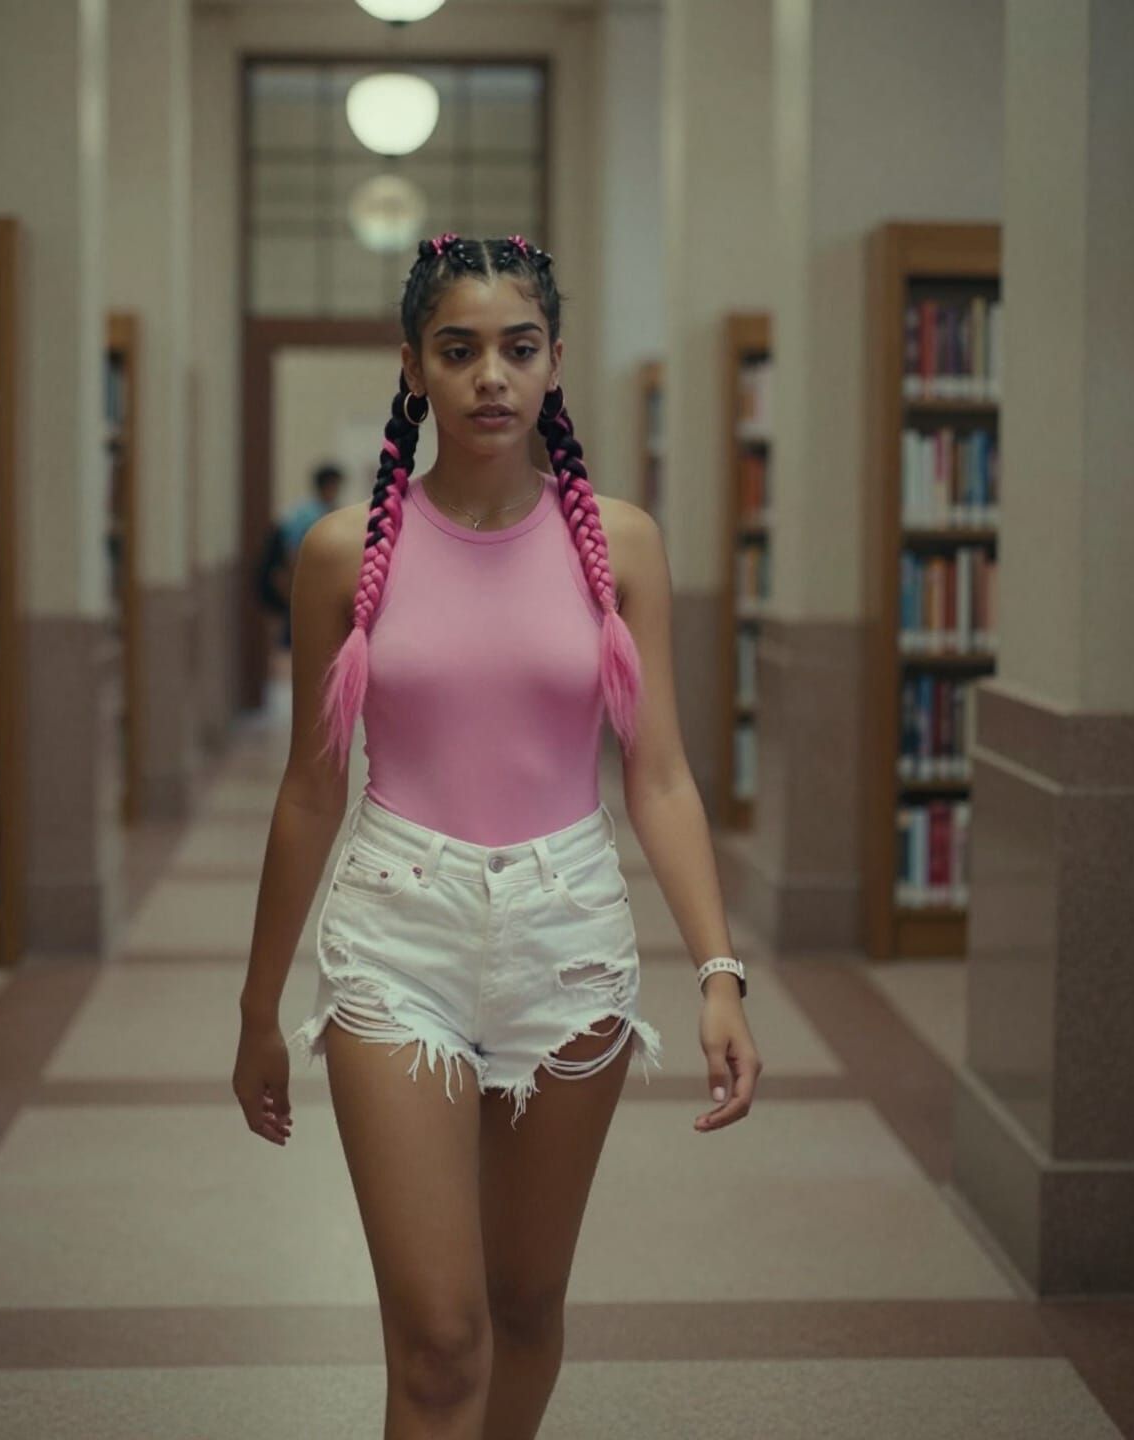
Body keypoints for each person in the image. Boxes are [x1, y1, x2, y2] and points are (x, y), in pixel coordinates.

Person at [232, 232, 762, 1437]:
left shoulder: (618, 545)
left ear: (554, 364)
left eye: (518, 349)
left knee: (524, 1305)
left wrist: (720, 975)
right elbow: (311, 793)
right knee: (438, 1339)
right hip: (392, 939)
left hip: (569, 932)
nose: (491, 377)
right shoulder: (342, 553)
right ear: (413, 367)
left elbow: (663, 777)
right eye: (458, 350)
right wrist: (260, 1005)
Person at [267, 463, 345, 650]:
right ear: (327, 486)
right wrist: (293, 581)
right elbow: (293, 551)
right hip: (300, 579)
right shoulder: (309, 515)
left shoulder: (321, 511)